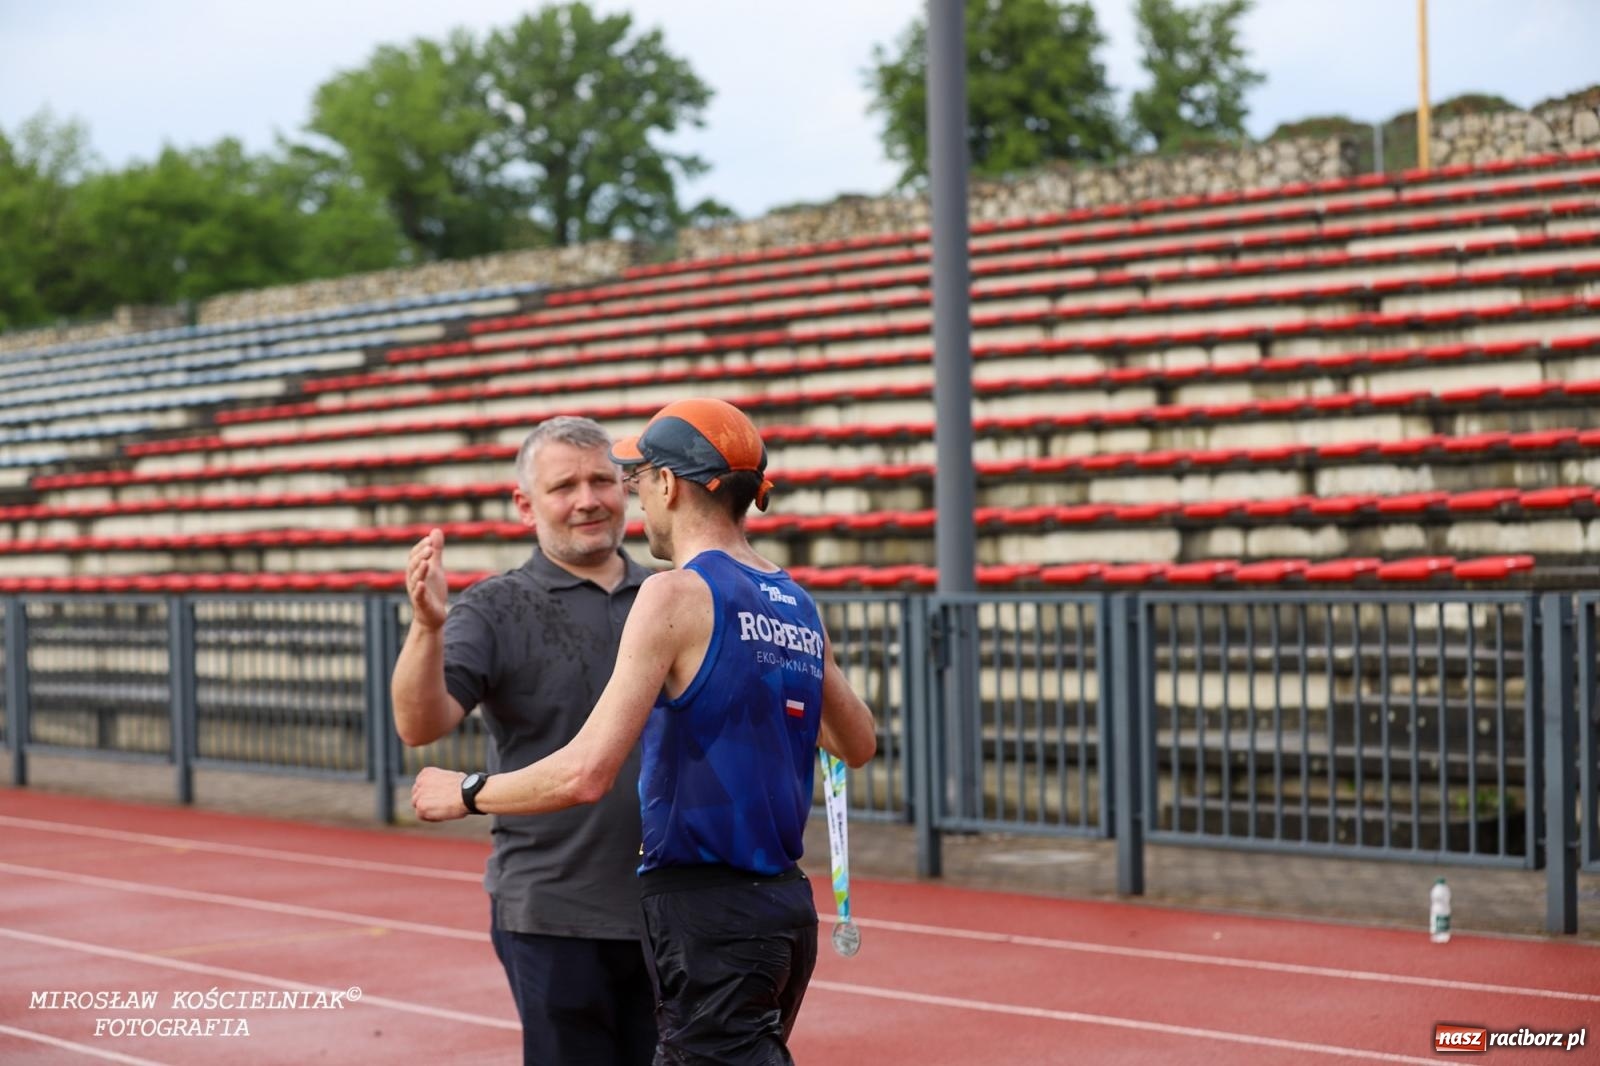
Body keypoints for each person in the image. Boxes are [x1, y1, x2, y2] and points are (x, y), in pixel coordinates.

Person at [412, 396, 878, 1065]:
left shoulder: (673, 593)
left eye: (636, 478)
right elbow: (856, 743)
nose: (630, 494)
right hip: (781, 908)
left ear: (667, 485)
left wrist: (466, 791)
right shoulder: (791, 598)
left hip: (704, 912)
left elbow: (585, 773)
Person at [391, 415, 657, 1066]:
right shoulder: (496, 606)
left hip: (676, 908)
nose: (588, 499)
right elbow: (420, 724)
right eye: (564, 485)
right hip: (554, 911)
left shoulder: (672, 594)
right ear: (525, 504)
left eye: (603, 480)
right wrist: (427, 627)